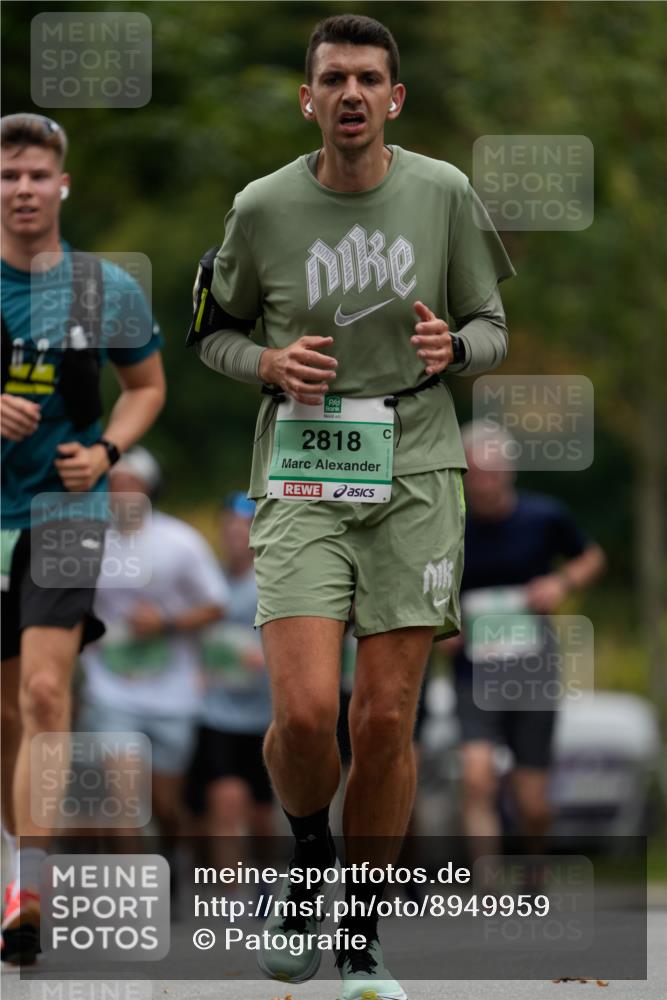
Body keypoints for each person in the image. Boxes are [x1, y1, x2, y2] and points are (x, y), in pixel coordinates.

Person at [189, 15, 514, 999]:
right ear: (308, 98)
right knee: (299, 713)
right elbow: (212, 333)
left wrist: (452, 352)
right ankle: (305, 858)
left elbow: (492, 323)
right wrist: (268, 362)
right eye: (333, 79)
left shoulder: (442, 193)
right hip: (300, 462)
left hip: (414, 462)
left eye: (369, 79)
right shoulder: (261, 207)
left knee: (382, 717)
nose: (351, 96)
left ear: (394, 98)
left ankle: (362, 934)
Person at [0, 113, 165, 965]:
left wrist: (105, 450)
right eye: (8, 176)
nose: (23, 189)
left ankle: (30, 891)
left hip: (64, 512)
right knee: (3, 711)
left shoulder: (102, 287)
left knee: (41, 697)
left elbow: (145, 384)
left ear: (62, 184)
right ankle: (12, 872)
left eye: (36, 174)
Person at [445, 423, 605, 878]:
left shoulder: (544, 516)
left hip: (532, 669)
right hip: (472, 670)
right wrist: (443, 626)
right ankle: (487, 884)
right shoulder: (448, 526)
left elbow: (592, 557)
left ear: (509, 472)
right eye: (475, 472)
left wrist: (560, 582)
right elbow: (428, 582)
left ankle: (535, 865)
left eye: (493, 471)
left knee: (531, 798)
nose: (484, 481)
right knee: (476, 776)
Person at [77, 448, 228, 858]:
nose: (121, 493)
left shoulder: (180, 541)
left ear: (149, 490)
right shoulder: (85, 539)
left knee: (163, 806)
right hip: (110, 688)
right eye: (113, 484)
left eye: (131, 484)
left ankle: (171, 858)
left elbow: (216, 605)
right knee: (124, 800)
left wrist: (165, 623)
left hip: (172, 693)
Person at [185, 492, 274, 871]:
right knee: (225, 798)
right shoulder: (207, 582)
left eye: (245, 527)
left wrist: (268, 658)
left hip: (266, 714)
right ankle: (232, 895)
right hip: (216, 712)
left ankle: (268, 880)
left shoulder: (277, 582)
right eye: (230, 527)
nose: (236, 534)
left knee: (260, 817)